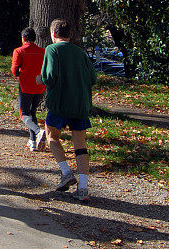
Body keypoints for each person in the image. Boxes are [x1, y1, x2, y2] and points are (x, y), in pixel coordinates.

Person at [39, 19, 97, 202]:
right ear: (70, 34)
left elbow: (49, 77)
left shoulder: (52, 50)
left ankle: (66, 172)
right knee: (80, 146)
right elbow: (93, 78)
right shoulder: (80, 52)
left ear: (54, 34)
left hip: (59, 103)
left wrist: (39, 79)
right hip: (81, 104)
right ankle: (84, 187)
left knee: (52, 137)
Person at [11, 27, 47, 151]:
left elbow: (14, 71)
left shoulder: (19, 51)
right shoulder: (43, 51)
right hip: (40, 86)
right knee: (33, 112)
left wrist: (20, 72)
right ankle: (32, 141)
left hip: (25, 86)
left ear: (23, 38)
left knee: (24, 114)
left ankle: (38, 132)